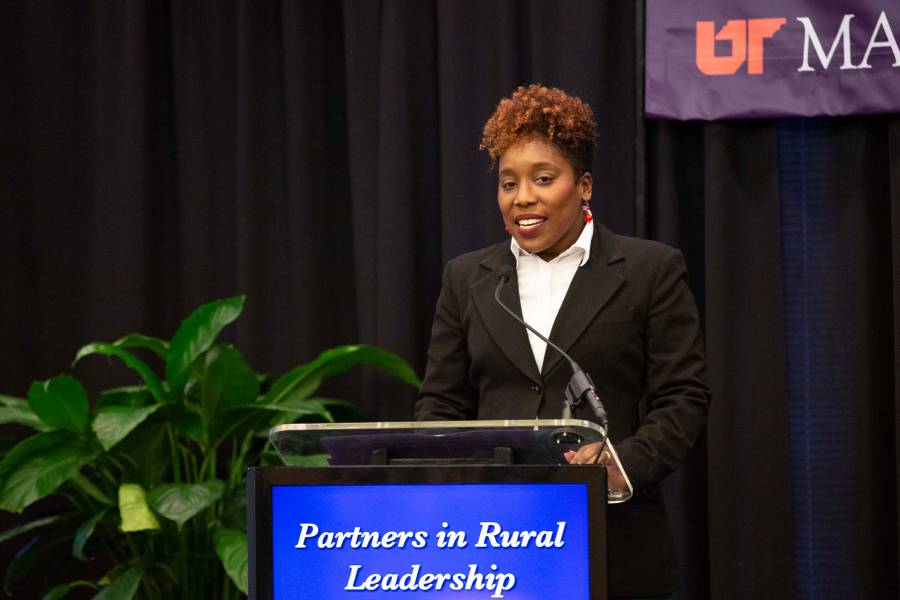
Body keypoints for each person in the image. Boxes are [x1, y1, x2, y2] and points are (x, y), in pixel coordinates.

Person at [414, 84, 710, 599]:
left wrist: (621, 464)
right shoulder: (468, 279)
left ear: (585, 185)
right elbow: (441, 402)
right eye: (509, 183)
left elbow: (683, 396)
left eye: (543, 179)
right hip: (491, 544)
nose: (522, 197)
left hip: (611, 540)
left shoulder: (649, 270)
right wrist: (449, 482)